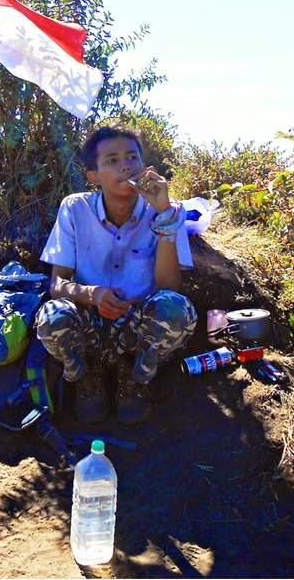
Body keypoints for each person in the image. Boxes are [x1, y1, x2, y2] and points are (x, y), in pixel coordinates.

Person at [34, 126, 198, 425]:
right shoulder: (75, 208)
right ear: (93, 175)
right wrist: (91, 294)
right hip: (89, 325)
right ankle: (86, 375)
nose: (125, 165)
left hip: (137, 327)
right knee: (52, 315)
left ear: (144, 165)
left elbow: (170, 287)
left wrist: (163, 216)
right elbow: (57, 284)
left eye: (132, 157)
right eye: (111, 160)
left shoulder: (169, 210)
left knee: (177, 309)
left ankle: (135, 376)